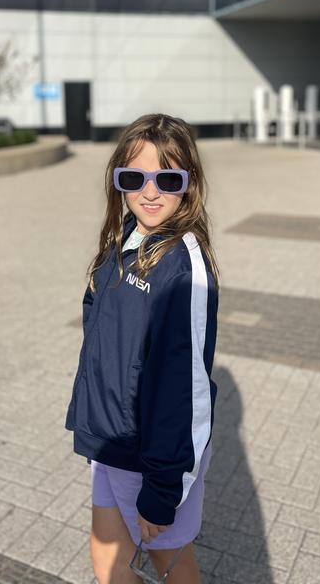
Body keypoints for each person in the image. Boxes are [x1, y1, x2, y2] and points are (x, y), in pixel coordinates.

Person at [65, 113, 220, 583]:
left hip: (154, 458)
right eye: (135, 177)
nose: (150, 192)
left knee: (171, 566)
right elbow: (99, 344)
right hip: (112, 442)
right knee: (106, 560)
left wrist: (163, 485)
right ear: (118, 182)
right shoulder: (121, 243)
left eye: (167, 179)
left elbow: (183, 386)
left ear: (188, 184)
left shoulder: (183, 267)